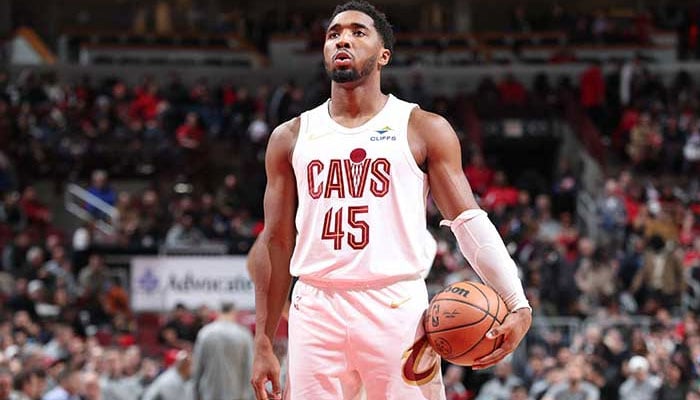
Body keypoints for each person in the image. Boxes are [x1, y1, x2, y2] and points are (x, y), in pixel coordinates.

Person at [251, 1, 532, 399]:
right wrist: (263, 339)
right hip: (315, 304)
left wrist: (517, 302)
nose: (342, 39)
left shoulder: (422, 128)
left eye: (357, 32)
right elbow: (276, 242)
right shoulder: (291, 136)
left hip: (395, 303)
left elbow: (468, 222)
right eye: (334, 34)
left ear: (384, 55)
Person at [192, 302, 255, 400]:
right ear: (234, 312)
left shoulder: (205, 334)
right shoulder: (243, 335)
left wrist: (195, 395)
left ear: (218, 312)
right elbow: (249, 368)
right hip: (237, 395)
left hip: (209, 394)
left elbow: (197, 368)